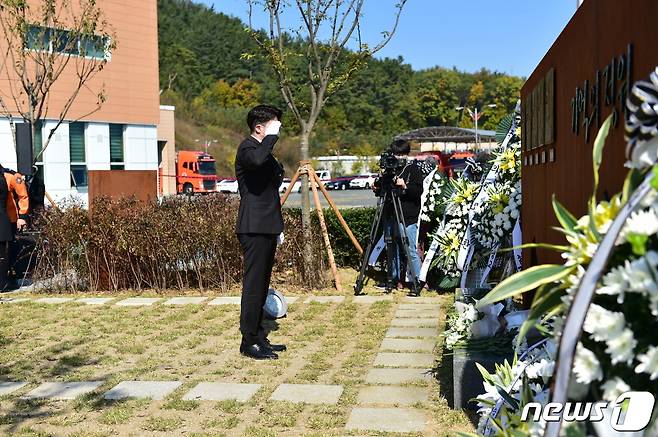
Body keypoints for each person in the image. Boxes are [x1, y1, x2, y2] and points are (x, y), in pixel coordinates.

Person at [235, 105, 287, 360]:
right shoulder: (248, 147)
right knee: (253, 286)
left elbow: (275, 178)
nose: (277, 130)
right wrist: (271, 137)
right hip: (253, 225)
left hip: (267, 224)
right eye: (273, 125)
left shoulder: (263, 150)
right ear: (259, 127)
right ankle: (248, 341)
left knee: (263, 284)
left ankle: (258, 335)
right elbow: (256, 161)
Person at [379, 139, 424, 292]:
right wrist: (377, 186)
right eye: (396, 154)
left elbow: (418, 192)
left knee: (409, 248)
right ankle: (394, 279)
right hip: (390, 214)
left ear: (406, 154)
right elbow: (382, 191)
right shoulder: (389, 170)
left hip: (407, 216)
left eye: (401, 154)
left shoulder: (413, 169)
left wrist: (405, 185)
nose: (398, 157)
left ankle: (416, 281)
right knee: (392, 248)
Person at [0, 164, 29, 291]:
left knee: (10, 249)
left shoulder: (11, 176)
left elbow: (23, 196)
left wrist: (22, 216)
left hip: (10, 219)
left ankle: (11, 277)